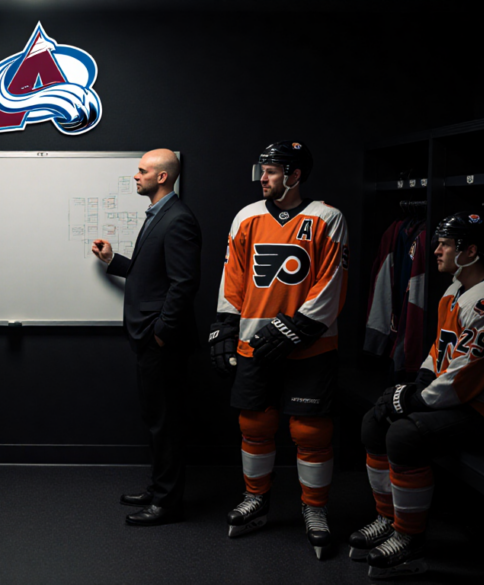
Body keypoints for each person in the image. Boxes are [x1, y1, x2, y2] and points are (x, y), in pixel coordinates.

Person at [351, 212, 484, 579]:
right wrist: (413, 386)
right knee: (375, 420)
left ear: (471, 251)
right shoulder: (455, 289)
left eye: (445, 243)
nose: (435, 248)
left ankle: (410, 540)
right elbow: (439, 353)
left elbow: (466, 374)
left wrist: (413, 400)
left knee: (404, 433)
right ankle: (388, 518)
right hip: (459, 399)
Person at [209, 141, 348, 559]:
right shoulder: (246, 217)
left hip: (311, 345)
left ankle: (315, 509)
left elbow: (331, 281)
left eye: (270, 171)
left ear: (294, 174)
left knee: (309, 432)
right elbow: (233, 275)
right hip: (256, 341)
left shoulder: (327, 217)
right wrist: (224, 326)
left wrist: (297, 326)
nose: (262, 178)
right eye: (263, 171)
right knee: (254, 424)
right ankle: (257, 498)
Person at [91, 148, 202, 526]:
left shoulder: (178, 219)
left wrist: (161, 334)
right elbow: (151, 273)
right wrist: (114, 261)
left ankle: (167, 504)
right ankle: (159, 489)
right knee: (156, 419)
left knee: (166, 424)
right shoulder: (160, 215)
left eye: (142, 171)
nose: (135, 176)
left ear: (162, 178)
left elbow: (184, 284)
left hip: (161, 342)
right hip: (149, 339)